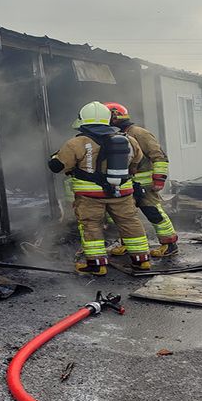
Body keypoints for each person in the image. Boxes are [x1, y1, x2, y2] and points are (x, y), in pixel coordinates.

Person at [48, 101, 151, 274]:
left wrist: (55, 157)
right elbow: (137, 161)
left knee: (91, 225)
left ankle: (97, 265)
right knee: (129, 222)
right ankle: (142, 261)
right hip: (122, 192)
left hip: (90, 195)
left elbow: (57, 166)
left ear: (83, 120)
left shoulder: (77, 143)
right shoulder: (128, 140)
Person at [104, 102, 179, 257]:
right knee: (124, 216)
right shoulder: (115, 135)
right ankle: (127, 244)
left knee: (153, 212)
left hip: (144, 185)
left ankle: (169, 245)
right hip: (126, 184)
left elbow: (159, 157)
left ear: (114, 117)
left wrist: (159, 180)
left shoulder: (139, 133)